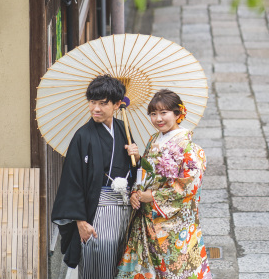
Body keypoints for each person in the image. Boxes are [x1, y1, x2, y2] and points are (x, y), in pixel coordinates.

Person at [51, 74, 140, 279]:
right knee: (97, 257)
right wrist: (80, 221)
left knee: (122, 260)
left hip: (124, 210)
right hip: (95, 211)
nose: (95, 109)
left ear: (117, 104)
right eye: (92, 102)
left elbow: (133, 172)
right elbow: (72, 181)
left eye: (103, 103)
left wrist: (136, 157)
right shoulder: (83, 136)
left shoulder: (122, 128)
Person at [117, 89, 211, 279]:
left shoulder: (189, 147)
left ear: (178, 114)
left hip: (174, 224)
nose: (158, 118)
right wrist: (137, 189)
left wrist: (151, 196)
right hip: (147, 218)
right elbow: (145, 174)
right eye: (153, 114)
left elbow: (188, 185)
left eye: (163, 113)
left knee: (175, 268)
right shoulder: (153, 139)